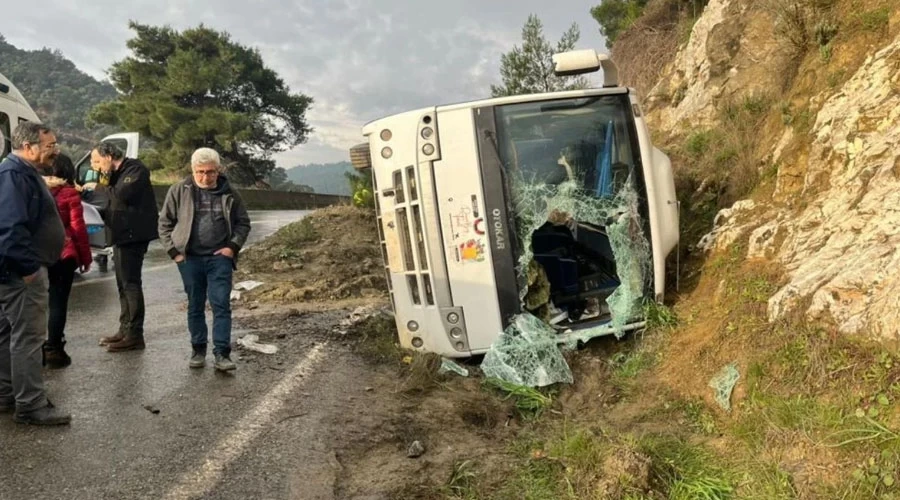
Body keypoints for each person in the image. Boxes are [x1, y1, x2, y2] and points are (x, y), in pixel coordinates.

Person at [0, 122, 70, 425]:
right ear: (28, 147)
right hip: (21, 274)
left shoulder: (21, 172)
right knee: (28, 337)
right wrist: (29, 270)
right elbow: (10, 228)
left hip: (16, 271)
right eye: (49, 146)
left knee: (7, 334)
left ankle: (7, 393)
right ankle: (30, 405)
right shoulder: (14, 174)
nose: (54, 151)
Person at [158, 148, 250, 371]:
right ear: (193, 170)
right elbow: (164, 224)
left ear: (218, 170)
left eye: (210, 172)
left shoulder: (230, 193)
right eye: (200, 172)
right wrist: (175, 253)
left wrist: (232, 247)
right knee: (195, 305)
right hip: (190, 259)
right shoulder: (179, 191)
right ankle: (198, 350)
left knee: (221, 304)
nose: (205, 177)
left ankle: (222, 354)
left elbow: (243, 223)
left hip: (219, 258)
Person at [88, 142, 158, 352]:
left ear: (109, 156)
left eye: (97, 161)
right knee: (122, 284)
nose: (95, 167)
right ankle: (124, 329)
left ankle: (135, 335)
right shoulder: (116, 172)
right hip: (120, 234)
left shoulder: (135, 169)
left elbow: (121, 195)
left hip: (133, 235)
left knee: (131, 283)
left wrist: (102, 183)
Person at [42, 154, 91, 368]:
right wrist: (86, 257)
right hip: (64, 254)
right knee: (58, 302)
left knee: (36, 304)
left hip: (38, 254)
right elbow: (78, 228)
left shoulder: (34, 189)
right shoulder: (69, 193)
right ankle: (54, 349)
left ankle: (34, 349)